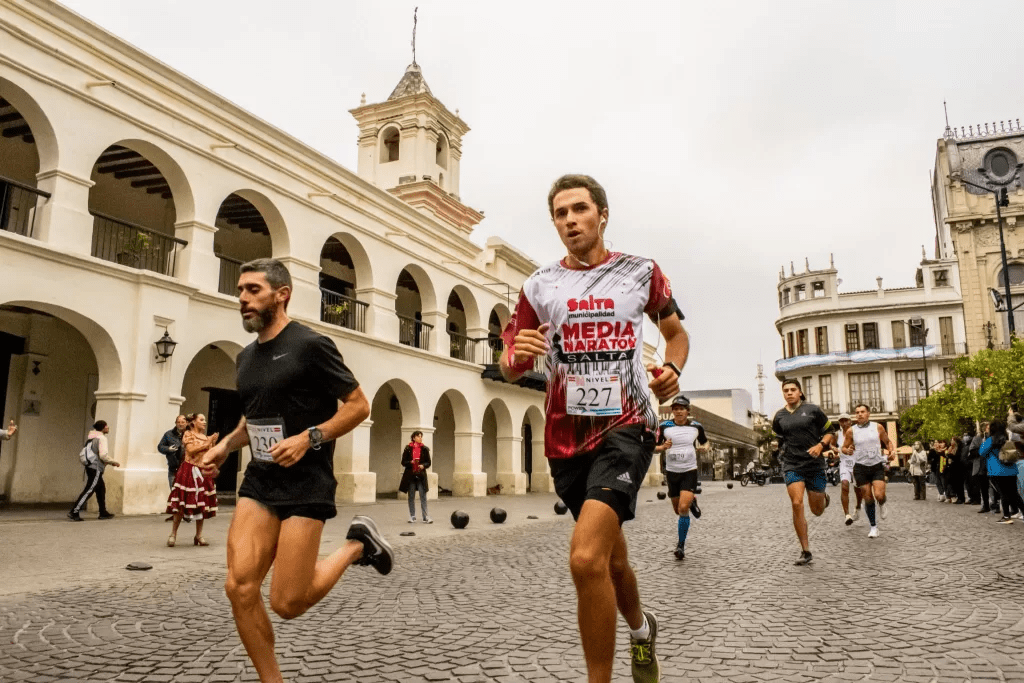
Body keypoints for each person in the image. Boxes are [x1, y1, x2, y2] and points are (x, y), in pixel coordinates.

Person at [500, 174, 687, 683]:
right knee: (611, 562)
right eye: (560, 214)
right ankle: (641, 628)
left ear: (602, 215)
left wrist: (673, 369)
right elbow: (508, 362)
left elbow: (674, 335)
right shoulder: (539, 286)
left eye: (579, 209)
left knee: (585, 559)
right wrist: (517, 356)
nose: (569, 221)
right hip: (565, 441)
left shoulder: (640, 273)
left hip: (627, 428)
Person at [198, 258, 391, 683]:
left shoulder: (311, 345)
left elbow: (359, 406)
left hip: (307, 482)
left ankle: (356, 546)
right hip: (261, 480)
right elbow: (255, 417)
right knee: (239, 587)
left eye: (253, 290)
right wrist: (227, 446)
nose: (243, 299)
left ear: (281, 293)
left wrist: (310, 438)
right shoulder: (245, 357)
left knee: (287, 602)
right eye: (240, 292)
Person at [771, 379, 833, 566]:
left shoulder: (813, 410)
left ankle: (823, 499)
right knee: (797, 503)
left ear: (800, 392)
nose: (789, 393)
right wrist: (777, 448)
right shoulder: (779, 416)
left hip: (814, 465)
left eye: (793, 389)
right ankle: (805, 551)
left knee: (817, 510)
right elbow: (778, 439)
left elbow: (831, 431)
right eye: (786, 390)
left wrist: (820, 445)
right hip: (792, 464)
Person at [655, 395, 707, 561]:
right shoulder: (664, 427)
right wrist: (662, 447)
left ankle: (680, 545)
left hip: (689, 471)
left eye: (682, 409)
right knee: (678, 509)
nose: (678, 411)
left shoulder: (696, 427)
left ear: (687, 411)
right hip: (671, 472)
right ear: (672, 411)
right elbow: (653, 448)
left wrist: (704, 448)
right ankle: (692, 500)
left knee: (683, 509)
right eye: (675, 409)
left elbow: (705, 442)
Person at [165, 413, 219, 547]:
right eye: (201, 420)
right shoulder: (188, 434)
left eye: (205, 420)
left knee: (202, 504)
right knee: (181, 503)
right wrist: (207, 443)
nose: (204, 422)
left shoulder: (206, 437)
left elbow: (209, 455)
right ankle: (173, 534)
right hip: (189, 470)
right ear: (193, 422)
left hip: (202, 471)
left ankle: (199, 535)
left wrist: (213, 444)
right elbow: (191, 450)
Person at [841, 404, 893, 538]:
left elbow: (888, 442)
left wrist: (892, 452)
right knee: (868, 498)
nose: (859, 414)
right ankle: (873, 527)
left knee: (879, 495)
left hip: (876, 465)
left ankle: (882, 503)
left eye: (862, 412)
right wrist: (848, 450)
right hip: (860, 467)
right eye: (857, 412)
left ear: (868, 413)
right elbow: (844, 448)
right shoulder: (851, 431)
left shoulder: (878, 427)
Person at [67, 420, 120, 521]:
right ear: (103, 428)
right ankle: (74, 511)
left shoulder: (92, 437)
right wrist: (113, 462)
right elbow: (103, 455)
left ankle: (103, 512)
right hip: (95, 467)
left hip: (90, 466)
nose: (108, 427)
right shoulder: (102, 438)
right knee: (89, 489)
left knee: (101, 489)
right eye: (106, 426)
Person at [981, 419, 1024, 524]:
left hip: (997, 470)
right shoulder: (1007, 439)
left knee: (1003, 493)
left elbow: (981, 452)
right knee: (1014, 494)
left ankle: (1006, 516)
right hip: (1011, 470)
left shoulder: (991, 440)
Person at [834, 413, 862, 525]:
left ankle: (858, 506)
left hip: (857, 463)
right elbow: (832, 445)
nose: (844, 423)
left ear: (850, 421)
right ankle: (847, 515)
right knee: (844, 485)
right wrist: (836, 449)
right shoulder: (837, 434)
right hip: (844, 463)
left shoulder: (857, 433)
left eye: (846, 420)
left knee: (858, 489)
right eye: (841, 421)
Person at [399, 431, 432, 523]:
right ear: (413, 438)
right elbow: (403, 462)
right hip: (411, 475)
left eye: (421, 436)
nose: (420, 438)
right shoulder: (408, 449)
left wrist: (423, 465)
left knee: (423, 495)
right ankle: (412, 516)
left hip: (421, 475)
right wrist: (411, 462)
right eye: (418, 436)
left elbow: (428, 462)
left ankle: (425, 516)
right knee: (411, 496)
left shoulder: (424, 449)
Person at [158, 415, 187, 490]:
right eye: (178, 422)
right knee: (174, 492)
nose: (180, 424)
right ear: (175, 423)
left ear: (187, 423)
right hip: (173, 469)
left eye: (183, 422)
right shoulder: (168, 434)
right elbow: (160, 447)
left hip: (186, 470)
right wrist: (168, 449)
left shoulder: (190, 435)